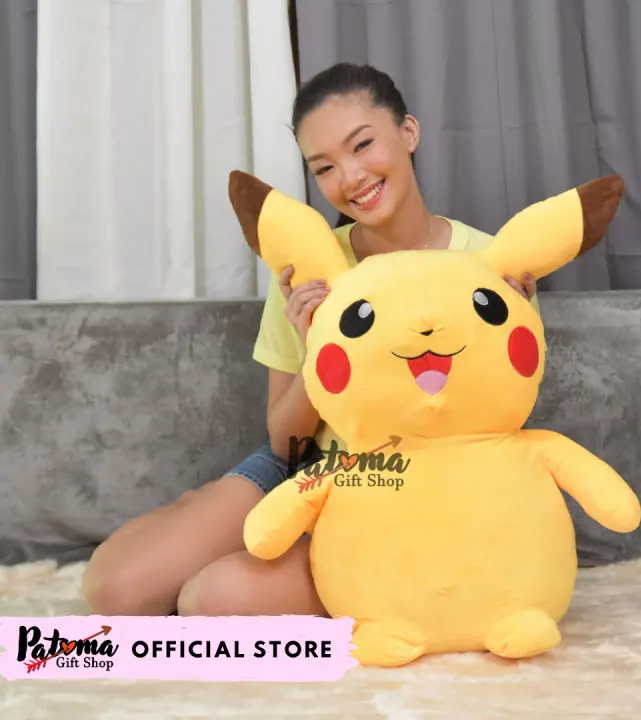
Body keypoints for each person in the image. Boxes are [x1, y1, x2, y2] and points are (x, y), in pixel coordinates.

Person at [81, 62, 539, 617]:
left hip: (407, 493)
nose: (351, 177)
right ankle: (201, 507)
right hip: (304, 466)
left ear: (408, 132)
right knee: (116, 592)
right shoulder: (309, 268)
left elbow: (498, 426)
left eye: (362, 145)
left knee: (211, 600)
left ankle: (333, 561)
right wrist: (317, 349)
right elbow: (286, 443)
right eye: (324, 167)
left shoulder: (489, 264)